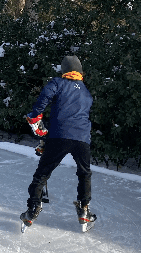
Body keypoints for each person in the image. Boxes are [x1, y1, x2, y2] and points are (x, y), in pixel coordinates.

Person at [21, 55, 96, 231]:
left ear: (64, 70)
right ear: (79, 71)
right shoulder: (85, 91)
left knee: (42, 174)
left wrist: (36, 115)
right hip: (82, 139)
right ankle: (84, 211)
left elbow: (45, 97)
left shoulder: (57, 83)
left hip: (58, 136)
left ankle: (32, 210)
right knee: (84, 173)